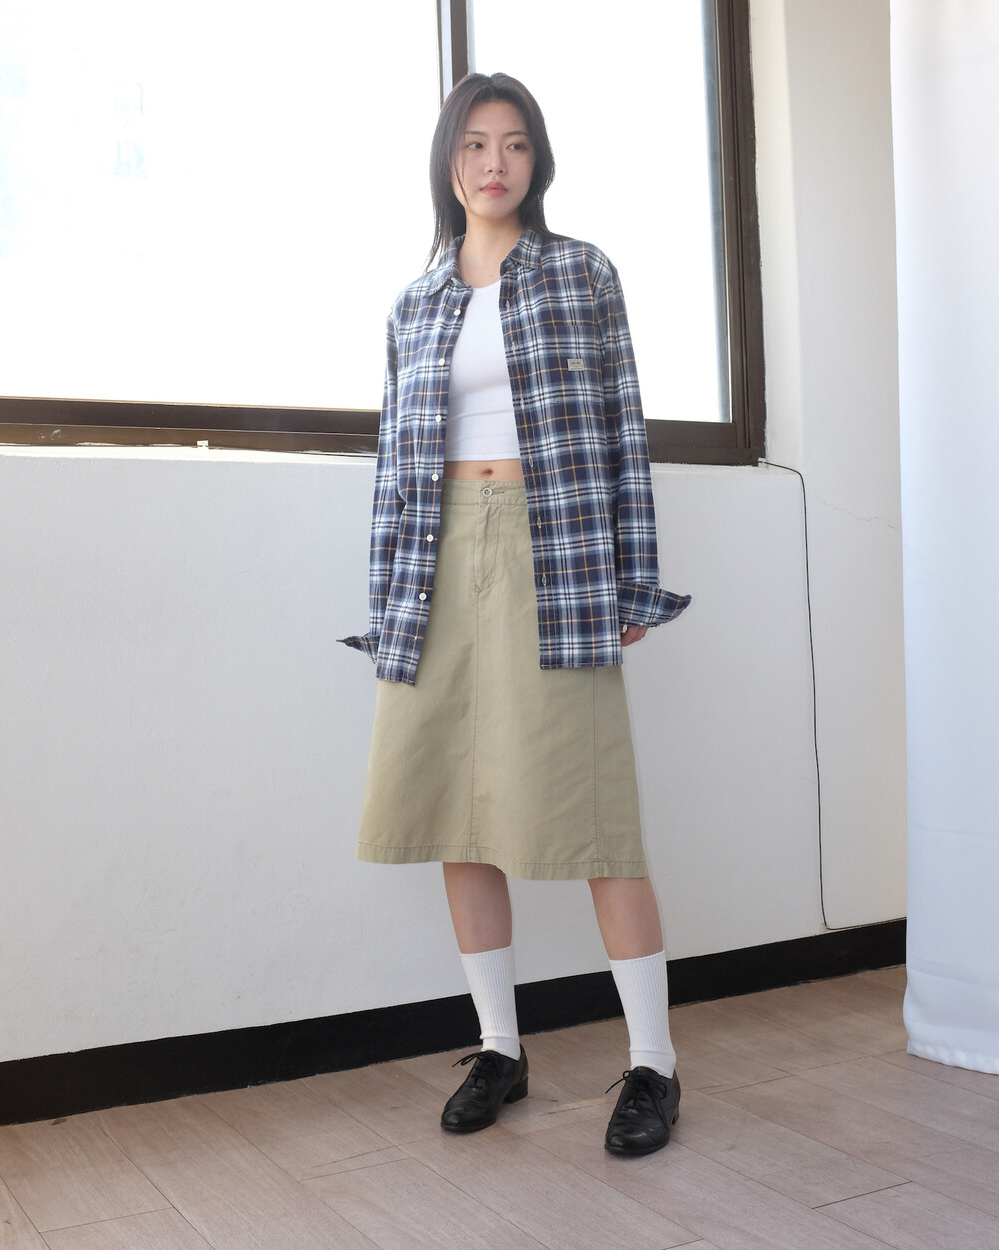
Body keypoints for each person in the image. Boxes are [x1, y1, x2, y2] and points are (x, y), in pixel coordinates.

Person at [342, 71, 691, 1156]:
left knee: (596, 815)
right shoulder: (414, 304)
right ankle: (501, 1045)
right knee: (459, 807)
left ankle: (653, 1062)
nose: (495, 163)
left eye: (515, 144)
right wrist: (388, 601)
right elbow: (395, 471)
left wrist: (632, 578)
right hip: (441, 557)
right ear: (448, 162)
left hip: (557, 548)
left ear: (537, 162)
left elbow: (624, 431)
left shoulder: (582, 273)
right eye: (475, 144)